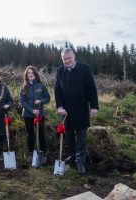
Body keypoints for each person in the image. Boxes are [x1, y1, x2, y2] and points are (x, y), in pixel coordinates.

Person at [54, 48, 99, 176]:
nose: (67, 61)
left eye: (69, 58)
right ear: (62, 59)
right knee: (68, 134)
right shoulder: (60, 71)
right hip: (65, 111)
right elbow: (57, 90)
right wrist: (60, 106)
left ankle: (80, 160)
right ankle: (72, 156)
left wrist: (94, 106)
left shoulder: (85, 69)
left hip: (81, 108)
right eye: (64, 59)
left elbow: (91, 88)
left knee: (81, 136)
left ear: (74, 57)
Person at [20, 66, 50, 165]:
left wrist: (41, 100)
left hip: (39, 115)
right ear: (26, 75)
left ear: (35, 74)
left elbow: (47, 98)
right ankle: (31, 153)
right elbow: (23, 102)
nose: (30, 74)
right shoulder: (23, 86)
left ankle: (44, 154)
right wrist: (32, 110)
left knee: (41, 134)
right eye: (28, 73)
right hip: (28, 115)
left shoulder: (41, 86)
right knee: (30, 135)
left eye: (32, 73)